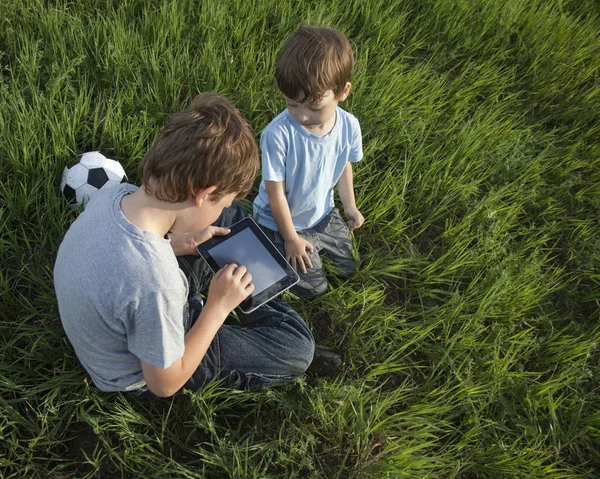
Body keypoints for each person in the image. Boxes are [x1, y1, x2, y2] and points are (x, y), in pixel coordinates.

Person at [53, 93, 317, 397]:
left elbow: (123, 256)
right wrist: (217, 308)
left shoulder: (115, 195)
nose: (221, 208)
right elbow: (164, 384)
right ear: (202, 194)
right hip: (143, 372)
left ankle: (249, 287)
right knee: (296, 347)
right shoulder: (156, 283)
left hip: (123, 297)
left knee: (229, 219)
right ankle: (253, 297)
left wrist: (179, 244)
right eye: (220, 200)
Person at [252, 25, 364, 299]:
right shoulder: (278, 134)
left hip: (322, 214)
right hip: (279, 221)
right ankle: (270, 244)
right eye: (292, 104)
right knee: (315, 291)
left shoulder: (348, 125)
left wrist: (349, 204)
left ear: (343, 91)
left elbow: (343, 165)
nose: (301, 116)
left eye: (314, 107)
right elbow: (275, 193)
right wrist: (290, 238)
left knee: (350, 268)